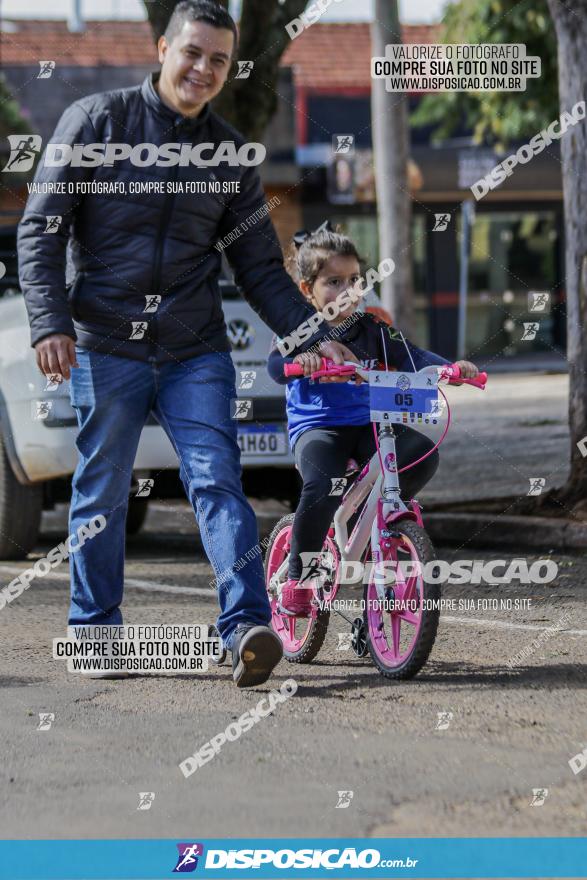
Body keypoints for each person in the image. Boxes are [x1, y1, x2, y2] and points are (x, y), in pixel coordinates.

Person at [17, 0, 352, 687]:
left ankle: (244, 630)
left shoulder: (228, 156)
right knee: (102, 486)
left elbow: (259, 265)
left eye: (219, 60)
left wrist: (315, 334)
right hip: (106, 339)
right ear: (165, 47)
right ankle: (94, 633)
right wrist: (50, 322)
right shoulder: (94, 122)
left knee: (216, 482)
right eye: (192, 52)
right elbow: (41, 228)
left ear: (229, 69)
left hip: (191, 346)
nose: (203, 68)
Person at [267, 225, 479, 615]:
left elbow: (413, 357)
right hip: (319, 428)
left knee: (421, 454)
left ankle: (384, 525)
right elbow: (277, 366)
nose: (347, 290)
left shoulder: (372, 330)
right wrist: (305, 360)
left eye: (353, 280)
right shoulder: (300, 331)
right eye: (333, 282)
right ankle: (298, 575)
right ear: (306, 290)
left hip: (369, 424)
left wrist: (452, 369)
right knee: (323, 485)